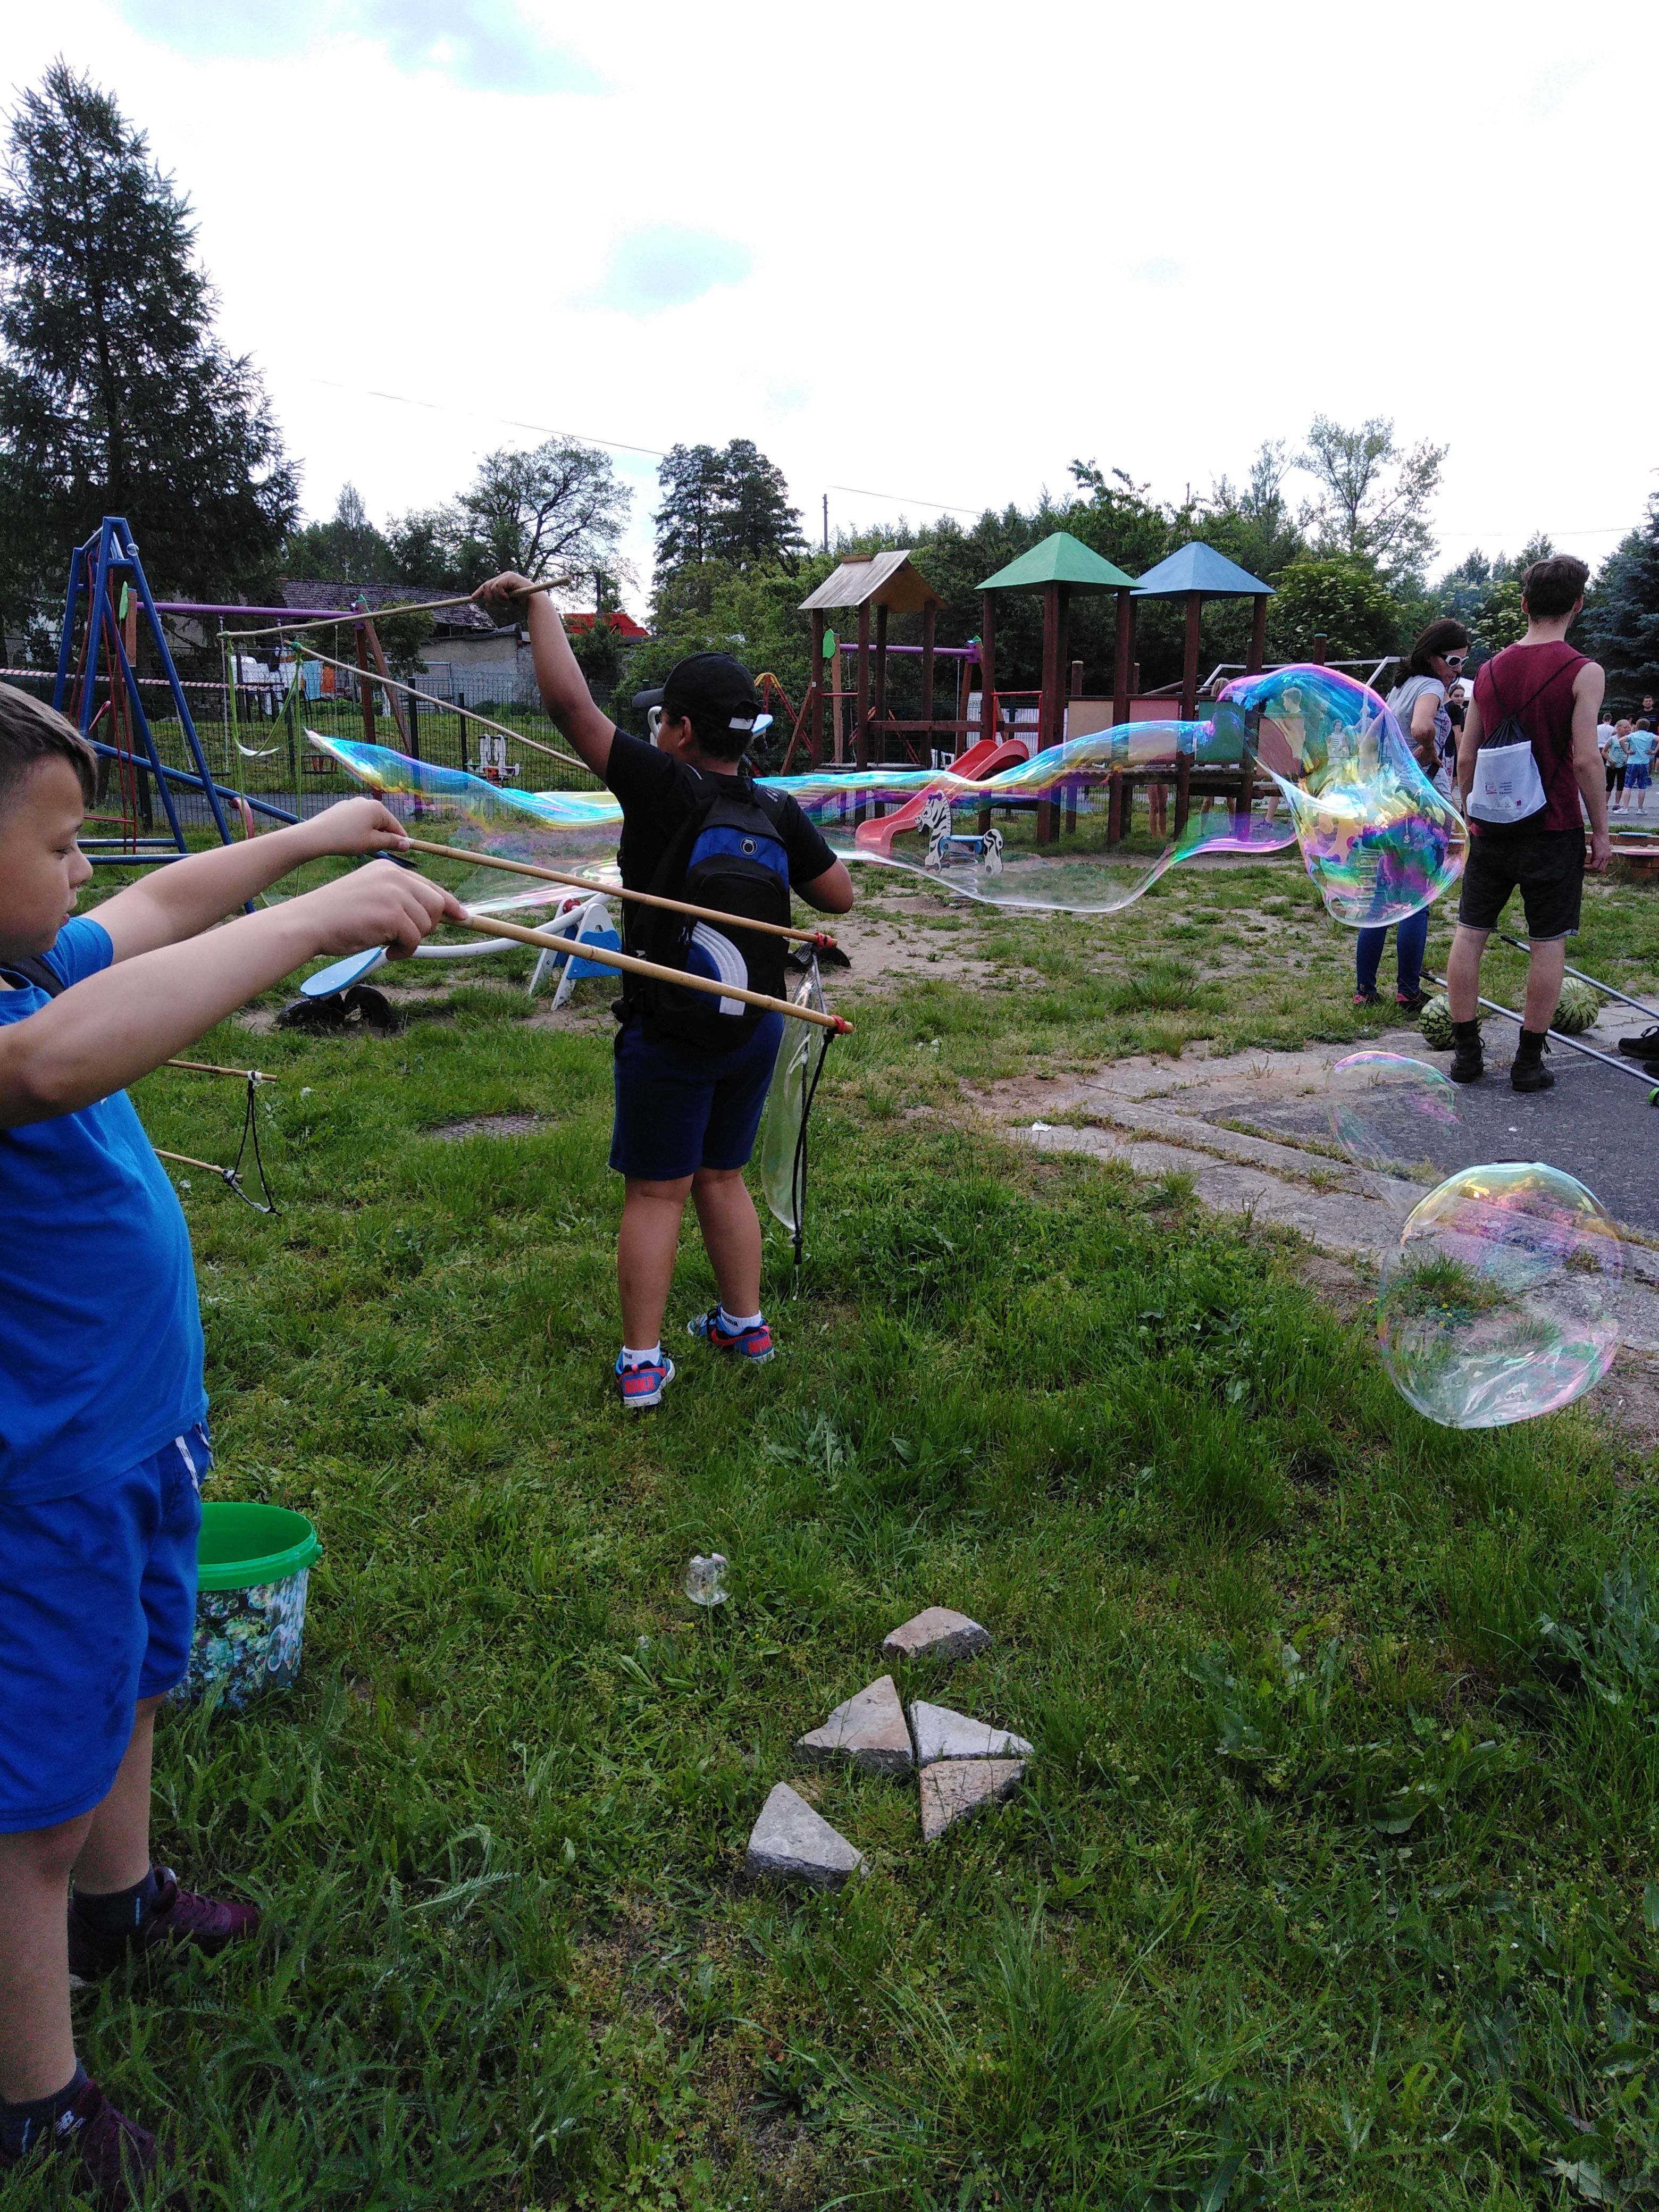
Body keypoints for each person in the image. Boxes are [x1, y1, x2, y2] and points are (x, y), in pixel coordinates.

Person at [0, 684, 457, 2207]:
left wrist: (306, 840)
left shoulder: (23, 959)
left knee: (136, 1682)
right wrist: (315, 923)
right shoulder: (18, 1024)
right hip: (42, 1479)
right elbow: (46, 1070)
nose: (85, 868)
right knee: (28, 1809)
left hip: (134, 1434)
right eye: (58, 843)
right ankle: (34, 2097)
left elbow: (154, 912)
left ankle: (122, 1906)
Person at [474, 575, 854, 1411]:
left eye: (662, 721)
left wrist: (537, 603)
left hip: (670, 1028)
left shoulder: (660, 784)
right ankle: (745, 1327)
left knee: (656, 1192)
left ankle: (642, 1366)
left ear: (680, 729)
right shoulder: (776, 809)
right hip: (756, 1024)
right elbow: (840, 897)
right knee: (723, 1176)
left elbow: (572, 708)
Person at [1445, 556, 1610, 1092]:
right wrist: (1601, 831)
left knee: (1471, 932)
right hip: (1553, 826)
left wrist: (1472, 811)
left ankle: (1466, 1054)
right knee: (1548, 940)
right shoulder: (1583, 671)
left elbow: (1466, 755)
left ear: (1523, 604)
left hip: (1491, 826)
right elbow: (1585, 759)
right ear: (1578, 604)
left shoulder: (1489, 672)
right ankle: (1528, 1062)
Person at [1355, 619, 1470, 1011]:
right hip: (1423, 806)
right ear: (1433, 656)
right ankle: (1408, 991)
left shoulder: (1400, 688)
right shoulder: (1431, 687)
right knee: (1416, 901)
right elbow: (1422, 728)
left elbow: (1369, 743)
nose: (1458, 669)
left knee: (1381, 898)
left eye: (1462, 662)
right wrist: (1429, 754)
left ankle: (1365, 990)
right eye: (1453, 660)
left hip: (1391, 803)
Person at [1626, 717, 1657, 812]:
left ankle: (1625, 808)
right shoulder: (1650, 735)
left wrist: (1627, 751)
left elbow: (1621, 740)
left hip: (1632, 762)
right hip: (1644, 762)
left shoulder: (1633, 735)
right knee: (1642, 787)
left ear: (1637, 727)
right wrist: (1654, 751)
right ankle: (1640, 808)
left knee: (1628, 786)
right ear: (1648, 727)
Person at [1605, 718, 1629, 806]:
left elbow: (1630, 751)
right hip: (1612, 765)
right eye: (1625, 728)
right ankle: (1606, 803)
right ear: (1618, 728)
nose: (1627, 730)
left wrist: (1627, 760)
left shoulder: (1628, 739)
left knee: (1620, 785)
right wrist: (1610, 760)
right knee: (1610, 784)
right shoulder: (1612, 739)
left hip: (1622, 765)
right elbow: (1604, 752)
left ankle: (1617, 804)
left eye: (1628, 728)